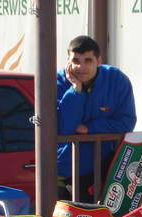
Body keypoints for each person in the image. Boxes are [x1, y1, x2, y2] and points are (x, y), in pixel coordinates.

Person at [56, 35, 137, 202]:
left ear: (99, 61)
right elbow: (65, 127)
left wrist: (90, 128)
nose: (81, 67)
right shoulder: (59, 81)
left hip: (105, 166)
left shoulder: (117, 80)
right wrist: (75, 89)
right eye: (76, 60)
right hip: (66, 167)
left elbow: (127, 122)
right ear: (68, 61)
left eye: (88, 60)